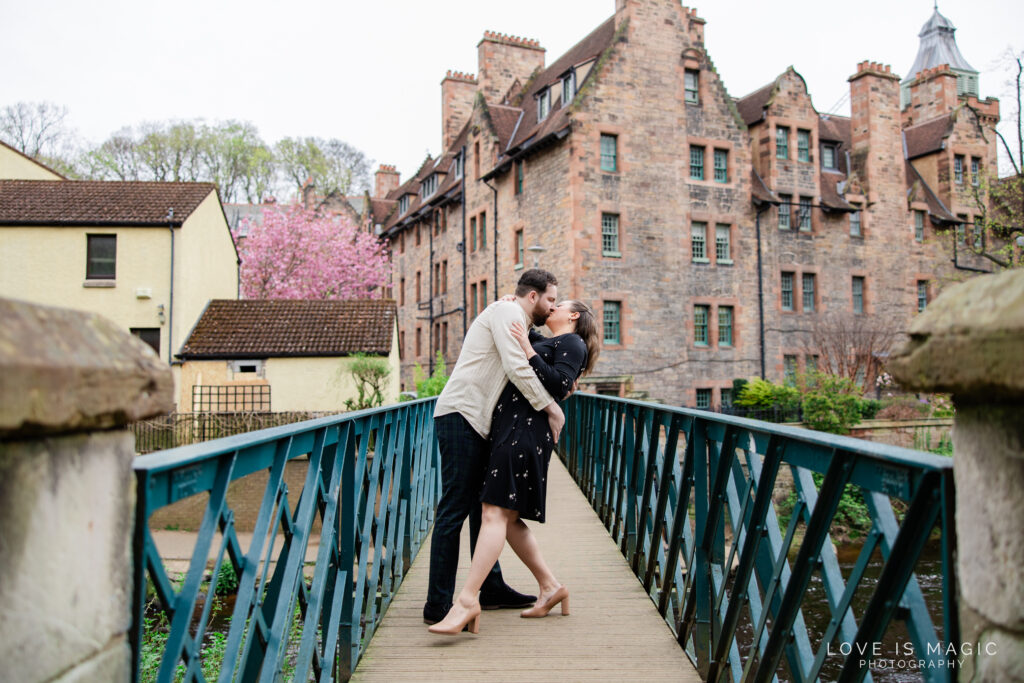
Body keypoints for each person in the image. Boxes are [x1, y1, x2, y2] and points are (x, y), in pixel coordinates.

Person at [428, 299, 600, 635]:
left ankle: (467, 600)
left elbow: (560, 384)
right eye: (549, 299)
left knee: (495, 513)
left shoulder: (572, 342)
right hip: (508, 428)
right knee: (506, 517)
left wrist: (526, 348)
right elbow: (516, 343)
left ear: (574, 315)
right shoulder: (545, 339)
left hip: (525, 431)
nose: (553, 305)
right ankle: (550, 587)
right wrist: (511, 306)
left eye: (559, 303)